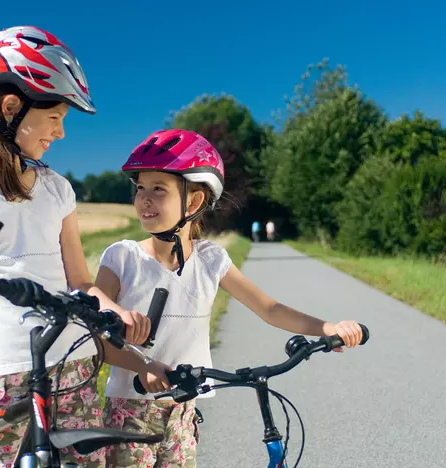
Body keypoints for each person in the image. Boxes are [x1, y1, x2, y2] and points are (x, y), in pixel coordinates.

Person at [0, 26, 150, 468]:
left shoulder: (57, 190)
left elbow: (80, 281)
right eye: (55, 117)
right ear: (12, 107)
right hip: (6, 383)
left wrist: (114, 310)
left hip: (74, 367)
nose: (60, 133)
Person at [95, 129, 364, 468]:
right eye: (140, 188)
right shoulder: (121, 259)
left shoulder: (211, 260)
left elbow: (269, 308)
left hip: (183, 413)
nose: (144, 199)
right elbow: (96, 339)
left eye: (158, 189)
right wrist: (143, 366)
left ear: (193, 202)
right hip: (129, 411)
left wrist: (327, 327)